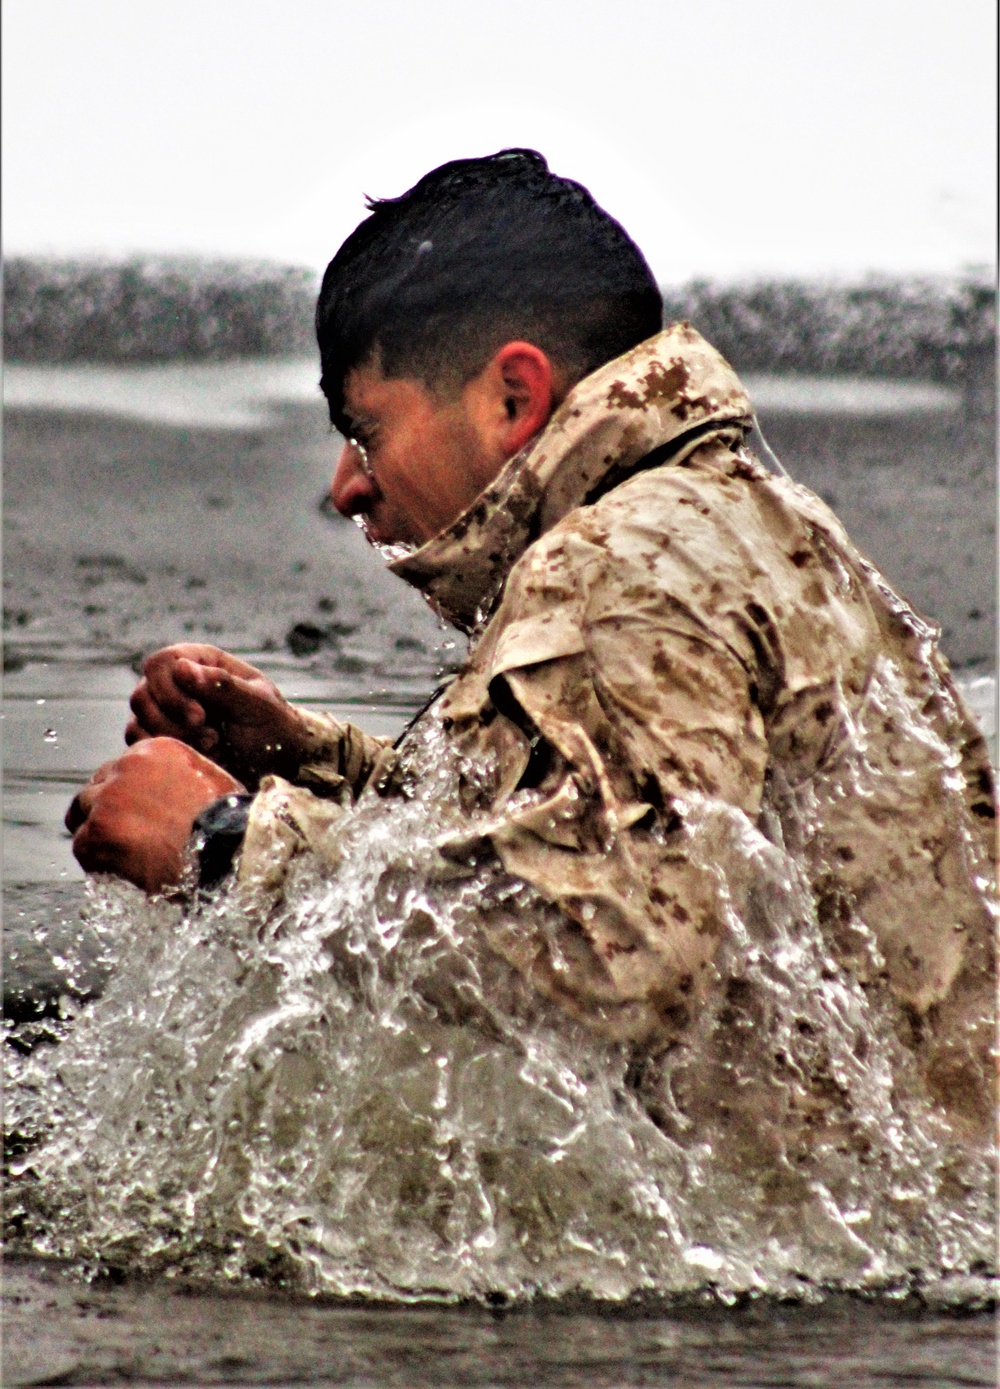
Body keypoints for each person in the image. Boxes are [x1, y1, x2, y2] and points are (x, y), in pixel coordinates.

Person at [66, 149, 996, 1132]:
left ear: (513, 397)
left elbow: (614, 939)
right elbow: (610, 821)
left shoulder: (620, 567)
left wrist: (225, 844)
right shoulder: (729, 524)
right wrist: (305, 762)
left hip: (828, 1246)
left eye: (365, 428)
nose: (346, 485)